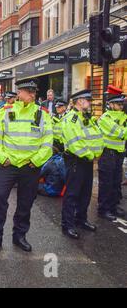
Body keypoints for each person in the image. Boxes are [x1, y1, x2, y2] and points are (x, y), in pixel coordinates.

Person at [0, 78, 53, 252]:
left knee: (25, 203)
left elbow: (48, 142)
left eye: (34, 91)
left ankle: (20, 236)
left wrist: (36, 161)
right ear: (19, 93)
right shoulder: (6, 111)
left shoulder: (43, 114)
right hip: (8, 165)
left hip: (30, 166)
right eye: (28, 91)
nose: (32, 94)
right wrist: (3, 158)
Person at [61, 90, 104, 240]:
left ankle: (81, 219)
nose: (90, 103)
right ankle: (67, 224)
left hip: (87, 161)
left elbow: (98, 137)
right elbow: (75, 144)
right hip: (76, 161)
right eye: (88, 100)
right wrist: (92, 154)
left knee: (85, 193)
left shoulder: (87, 118)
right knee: (72, 194)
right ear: (79, 101)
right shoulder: (70, 119)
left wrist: (97, 152)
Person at [97, 86, 127, 221]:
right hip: (107, 154)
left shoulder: (124, 116)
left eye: (122, 104)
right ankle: (104, 209)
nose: (121, 106)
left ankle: (113, 206)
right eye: (118, 104)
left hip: (119, 153)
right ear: (111, 104)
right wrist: (122, 131)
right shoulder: (105, 117)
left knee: (116, 181)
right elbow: (120, 133)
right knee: (106, 182)